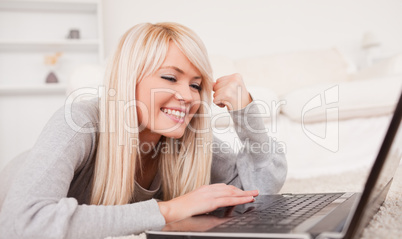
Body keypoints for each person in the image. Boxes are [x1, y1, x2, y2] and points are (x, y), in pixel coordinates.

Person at [0, 22, 287, 238]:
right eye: (170, 77)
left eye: (196, 85)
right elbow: (24, 224)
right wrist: (170, 209)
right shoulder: (80, 120)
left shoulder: (186, 140)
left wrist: (245, 111)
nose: (187, 96)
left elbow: (258, 191)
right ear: (130, 79)